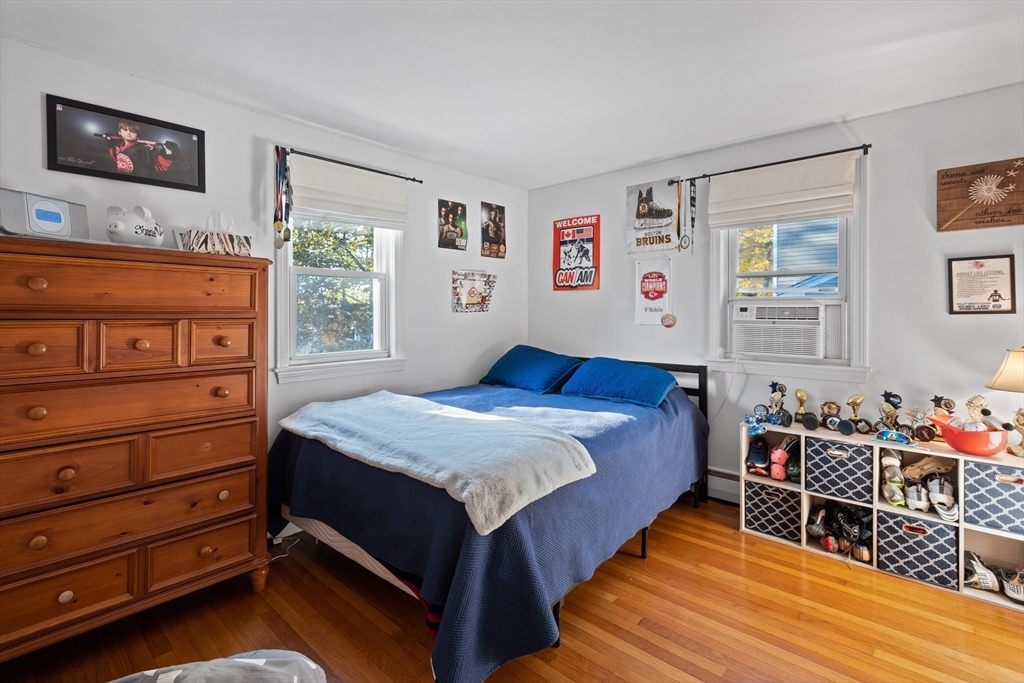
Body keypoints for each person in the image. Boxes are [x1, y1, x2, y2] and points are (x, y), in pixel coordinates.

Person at [106, 119, 176, 177]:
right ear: (119, 132)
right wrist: (111, 144)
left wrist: (168, 153)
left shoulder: (144, 148)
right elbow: (117, 160)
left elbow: (157, 166)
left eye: (132, 131)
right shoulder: (118, 145)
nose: (128, 133)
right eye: (125, 129)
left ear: (138, 136)